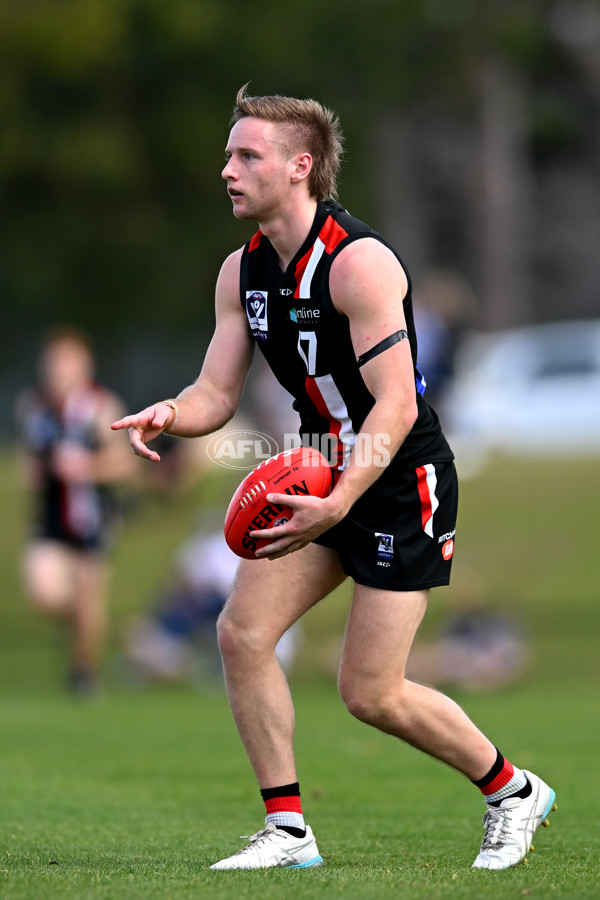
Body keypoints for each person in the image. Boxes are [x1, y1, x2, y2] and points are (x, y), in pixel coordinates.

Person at [112, 86, 556, 871]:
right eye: (228, 155)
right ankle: (287, 832)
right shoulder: (241, 273)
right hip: (321, 470)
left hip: (399, 478)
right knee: (242, 632)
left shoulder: (360, 264)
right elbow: (215, 393)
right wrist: (170, 414)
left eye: (248, 156)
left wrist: (342, 501)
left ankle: (513, 791)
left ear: (301, 167)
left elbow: (396, 403)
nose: (228, 170)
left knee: (370, 693)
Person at [17, 326, 136, 694]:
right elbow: (30, 458)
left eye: (67, 361)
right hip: (50, 517)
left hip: (93, 517)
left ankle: (84, 674)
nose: (59, 370)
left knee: (89, 598)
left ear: (85, 365)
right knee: (44, 593)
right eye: (54, 362)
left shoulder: (102, 407)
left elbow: (126, 464)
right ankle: (81, 626)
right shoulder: (33, 406)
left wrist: (87, 467)